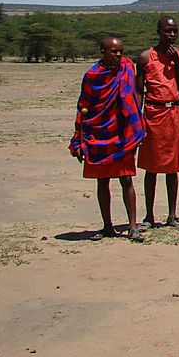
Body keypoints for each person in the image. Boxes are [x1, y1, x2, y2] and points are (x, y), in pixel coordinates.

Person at [69, 37, 145, 242]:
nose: (119, 55)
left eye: (121, 51)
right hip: (100, 133)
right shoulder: (93, 76)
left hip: (122, 133)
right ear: (102, 51)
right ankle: (107, 226)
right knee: (102, 181)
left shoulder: (127, 67)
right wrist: (79, 139)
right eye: (114, 51)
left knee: (126, 178)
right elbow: (83, 106)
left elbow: (134, 95)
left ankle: (132, 226)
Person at [136, 16, 179, 229]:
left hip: (174, 112)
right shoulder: (144, 57)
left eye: (175, 31)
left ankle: (172, 215)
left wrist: (176, 63)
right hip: (152, 113)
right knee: (151, 167)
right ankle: (149, 216)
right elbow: (139, 91)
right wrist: (137, 118)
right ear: (159, 31)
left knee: (172, 166)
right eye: (168, 31)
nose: (172, 35)